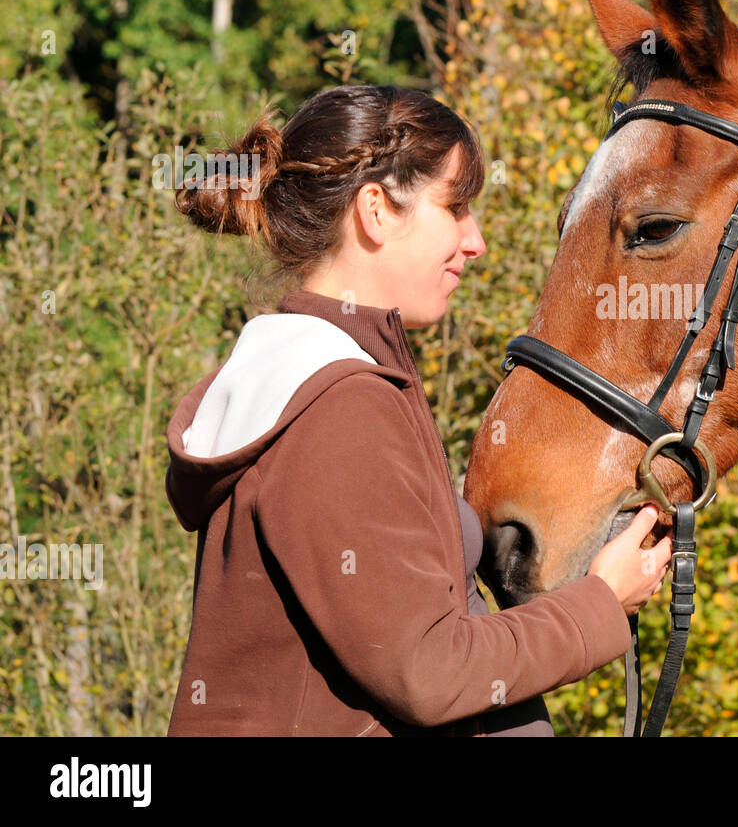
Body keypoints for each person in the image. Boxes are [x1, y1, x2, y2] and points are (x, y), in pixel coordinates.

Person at [165, 84, 668, 736]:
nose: (475, 239)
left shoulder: (318, 380)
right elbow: (428, 672)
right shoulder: (340, 403)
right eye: (455, 207)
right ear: (375, 210)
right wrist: (599, 603)